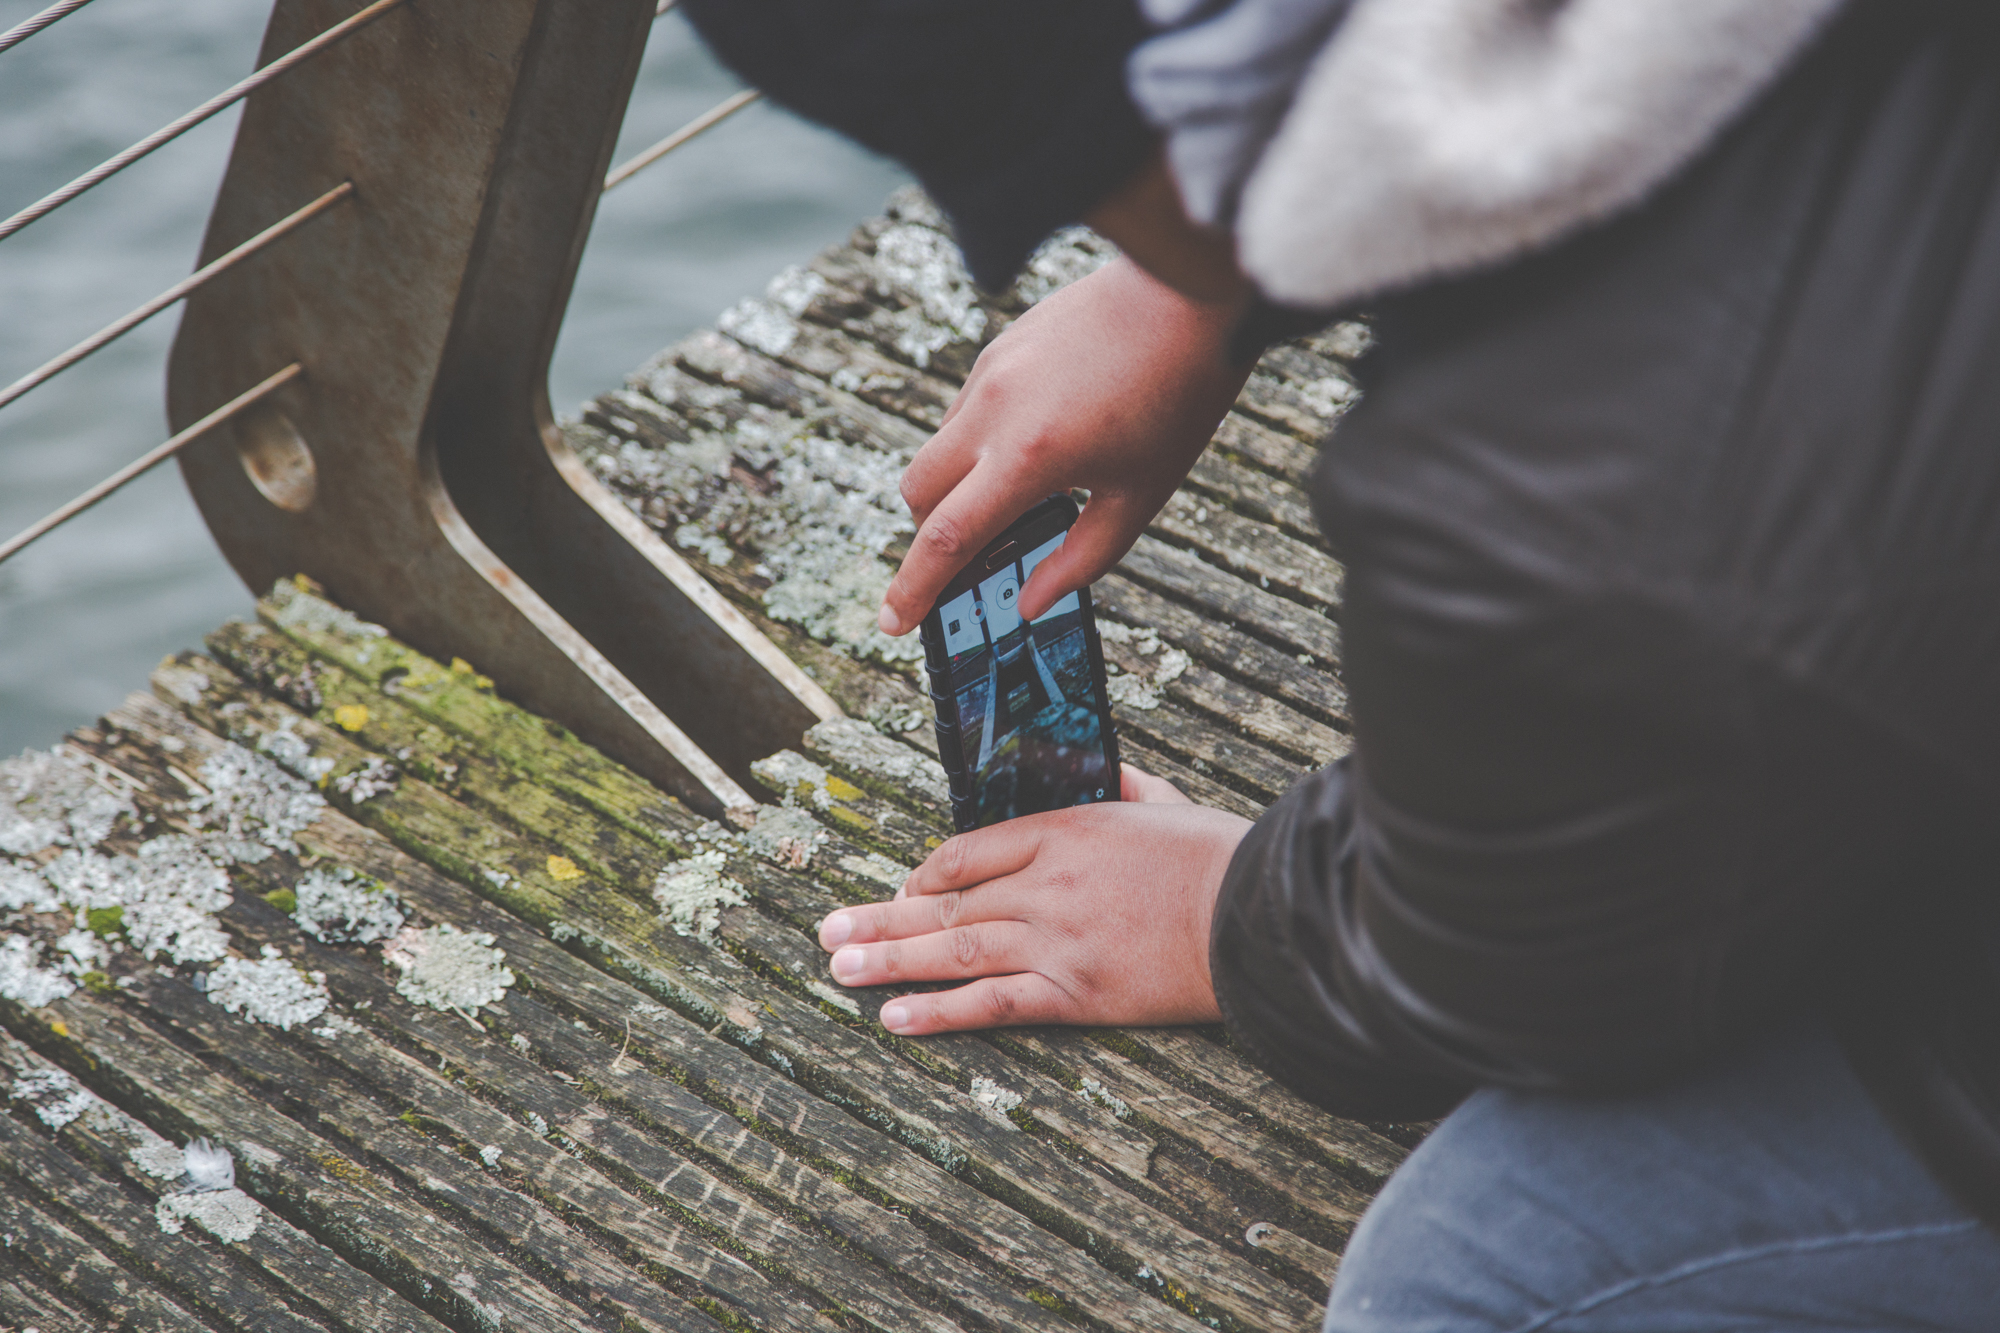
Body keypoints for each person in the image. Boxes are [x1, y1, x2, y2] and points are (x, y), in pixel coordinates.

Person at [682, 0, 2000, 1325]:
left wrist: (1232, 920)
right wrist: (1198, 291)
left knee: (1461, 1281)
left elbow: (1541, 972)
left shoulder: (1580, 513)